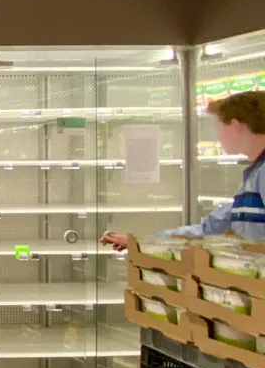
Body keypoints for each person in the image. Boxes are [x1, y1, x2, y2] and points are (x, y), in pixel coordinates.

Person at [102, 90, 265, 251]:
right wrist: (141, 243)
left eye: (219, 127)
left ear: (235, 126)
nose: (218, 136)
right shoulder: (254, 176)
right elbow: (211, 228)